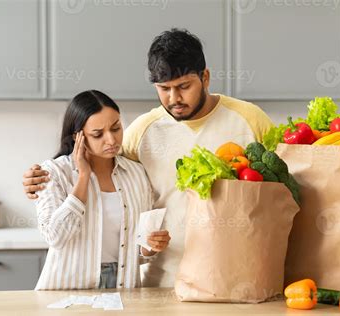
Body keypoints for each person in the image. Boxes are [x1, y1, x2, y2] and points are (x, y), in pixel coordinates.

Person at [23, 29, 273, 287]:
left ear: (205, 77)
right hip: (161, 283)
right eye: (164, 89)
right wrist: (39, 181)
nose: (174, 98)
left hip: (237, 278)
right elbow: (103, 168)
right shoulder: (141, 132)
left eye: (184, 87)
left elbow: (284, 193)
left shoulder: (250, 120)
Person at [31, 90, 170, 290]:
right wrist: (83, 177)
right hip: (67, 291)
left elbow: (138, 253)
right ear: (77, 136)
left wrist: (150, 247)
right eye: (98, 134)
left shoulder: (137, 173)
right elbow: (56, 237)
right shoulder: (53, 172)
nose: (112, 140)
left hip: (124, 286)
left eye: (116, 128)